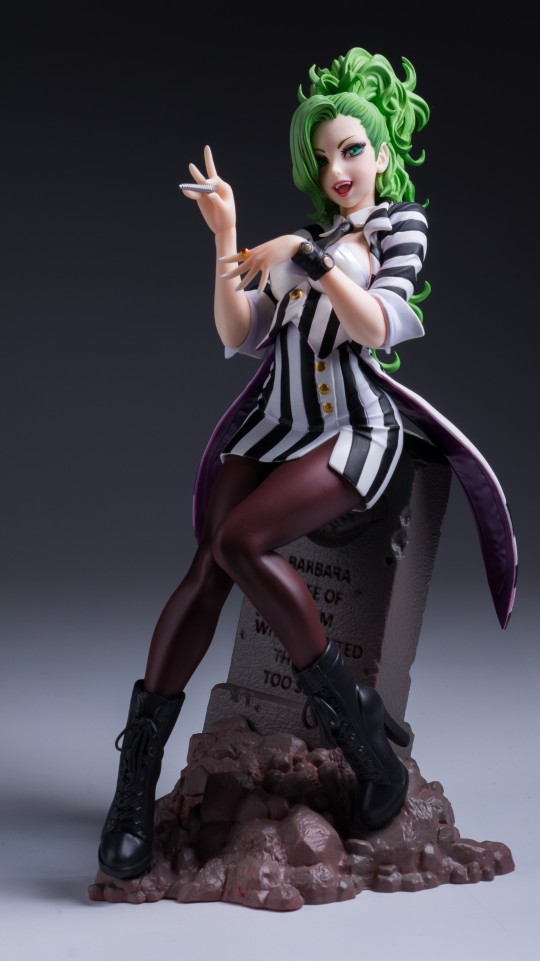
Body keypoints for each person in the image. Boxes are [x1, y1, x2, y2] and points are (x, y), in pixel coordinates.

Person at [97, 48, 517, 880]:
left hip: (352, 430)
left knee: (239, 542)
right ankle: (135, 779)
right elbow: (237, 331)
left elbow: (375, 327)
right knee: (207, 568)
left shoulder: (397, 227)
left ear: (383, 153)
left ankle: (363, 740)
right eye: (323, 156)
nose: (336, 170)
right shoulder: (304, 239)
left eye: (351, 149)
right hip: (275, 426)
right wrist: (226, 236)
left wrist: (312, 259)